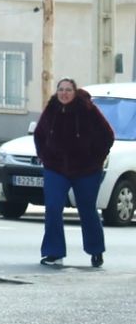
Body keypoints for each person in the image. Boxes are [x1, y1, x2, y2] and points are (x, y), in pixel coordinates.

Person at [35, 78, 114, 268]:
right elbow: (39, 134)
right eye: (61, 90)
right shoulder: (52, 108)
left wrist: (96, 158)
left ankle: (96, 251)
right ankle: (53, 253)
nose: (64, 93)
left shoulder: (87, 109)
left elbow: (107, 135)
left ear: (74, 91)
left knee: (87, 209)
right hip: (56, 168)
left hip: (86, 169)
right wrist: (45, 156)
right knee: (53, 207)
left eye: (68, 90)